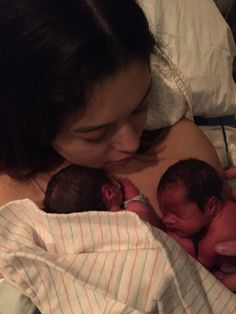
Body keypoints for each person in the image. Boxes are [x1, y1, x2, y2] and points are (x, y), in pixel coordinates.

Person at [0, 0, 236, 312]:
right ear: (32, 123)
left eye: (140, 106)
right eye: (95, 133)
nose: (130, 143)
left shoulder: (180, 147)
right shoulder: (13, 213)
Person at [158, 158, 236, 272]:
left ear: (210, 206)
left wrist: (186, 247)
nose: (165, 219)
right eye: (163, 211)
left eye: (176, 213)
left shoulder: (212, 243)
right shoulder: (226, 204)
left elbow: (198, 273)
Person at [44, 164, 162, 227]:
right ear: (108, 193)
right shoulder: (129, 217)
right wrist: (134, 198)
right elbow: (154, 229)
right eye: (113, 179)